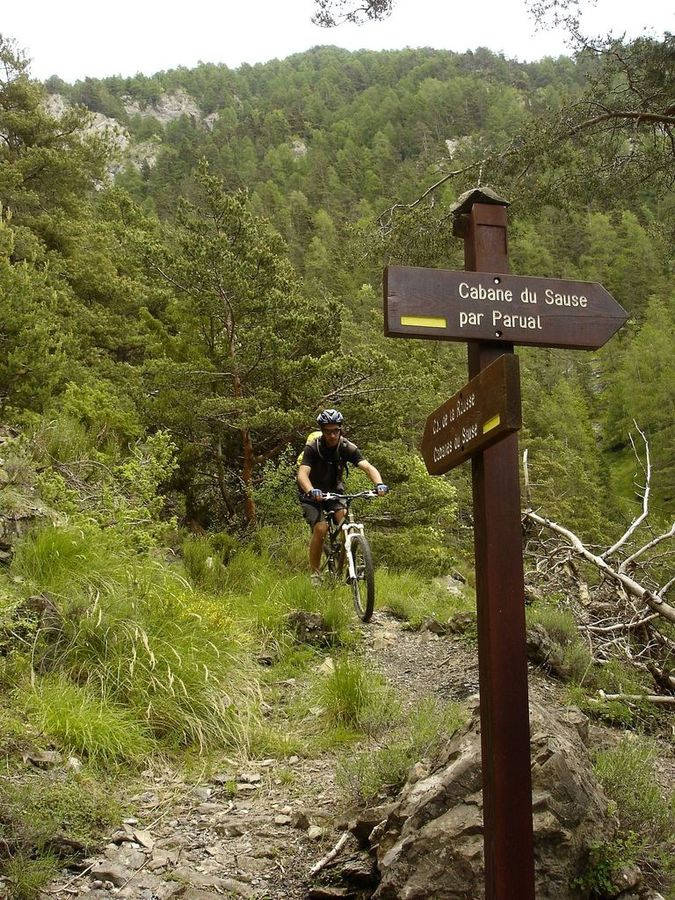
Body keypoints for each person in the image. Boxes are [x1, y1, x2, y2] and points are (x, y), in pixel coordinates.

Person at [297, 409, 388, 585]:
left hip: (334, 490)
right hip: (311, 492)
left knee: (346, 526)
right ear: (322, 430)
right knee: (321, 528)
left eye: (335, 431)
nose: (332, 435)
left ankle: (344, 568)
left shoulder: (347, 447)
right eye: (328, 431)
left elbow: (368, 467)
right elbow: (302, 475)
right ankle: (315, 574)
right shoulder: (313, 448)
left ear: (340, 430)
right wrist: (311, 490)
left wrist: (379, 484)